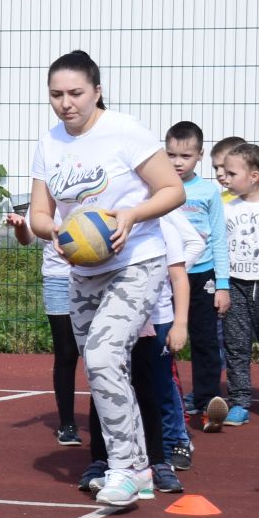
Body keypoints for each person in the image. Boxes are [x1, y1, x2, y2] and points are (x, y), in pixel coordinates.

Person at [26, 50, 184, 508]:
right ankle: (139, 466)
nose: (65, 103)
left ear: (96, 90)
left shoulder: (125, 132)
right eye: (56, 95)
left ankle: (126, 469)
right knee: (104, 370)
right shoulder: (49, 143)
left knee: (101, 353)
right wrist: (53, 230)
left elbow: (170, 189)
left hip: (137, 261)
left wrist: (132, 214)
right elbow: (40, 212)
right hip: (83, 270)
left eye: (75, 93)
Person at [75, 212, 201, 499]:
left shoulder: (161, 227)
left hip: (152, 319)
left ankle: (157, 460)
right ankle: (101, 460)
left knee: (148, 389)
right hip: (112, 317)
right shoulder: (107, 225)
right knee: (104, 388)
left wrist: (180, 322)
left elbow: (179, 275)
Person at [164, 122, 230, 451]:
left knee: (205, 342)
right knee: (167, 341)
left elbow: (219, 238)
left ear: (200, 156)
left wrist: (223, 284)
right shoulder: (159, 188)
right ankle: (172, 401)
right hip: (167, 274)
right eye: (172, 154)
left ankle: (205, 404)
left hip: (202, 274)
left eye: (185, 156)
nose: (178, 162)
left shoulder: (207, 192)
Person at [3, 207, 80, 446]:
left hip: (94, 277)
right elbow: (27, 239)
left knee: (100, 355)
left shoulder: (92, 190)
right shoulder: (46, 194)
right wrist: (21, 227)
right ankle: (67, 424)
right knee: (66, 353)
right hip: (58, 279)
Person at [218, 141, 259, 428]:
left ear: (254, 175)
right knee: (236, 345)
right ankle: (239, 402)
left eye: (231, 173)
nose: (225, 178)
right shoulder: (226, 208)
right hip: (235, 284)